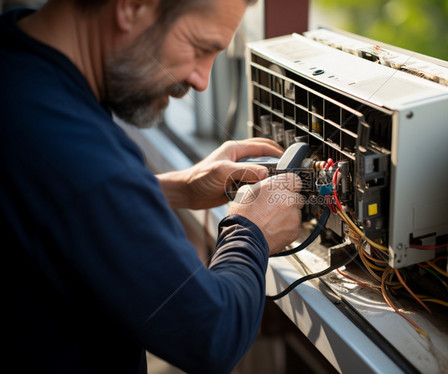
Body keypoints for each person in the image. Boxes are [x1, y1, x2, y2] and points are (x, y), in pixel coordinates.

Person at [0, 0, 304, 373]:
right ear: (132, 6)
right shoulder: (72, 146)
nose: (201, 80)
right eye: (199, 47)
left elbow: (56, 203)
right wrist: (250, 232)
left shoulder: (17, 65)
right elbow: (212, 334)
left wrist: (178, 188)